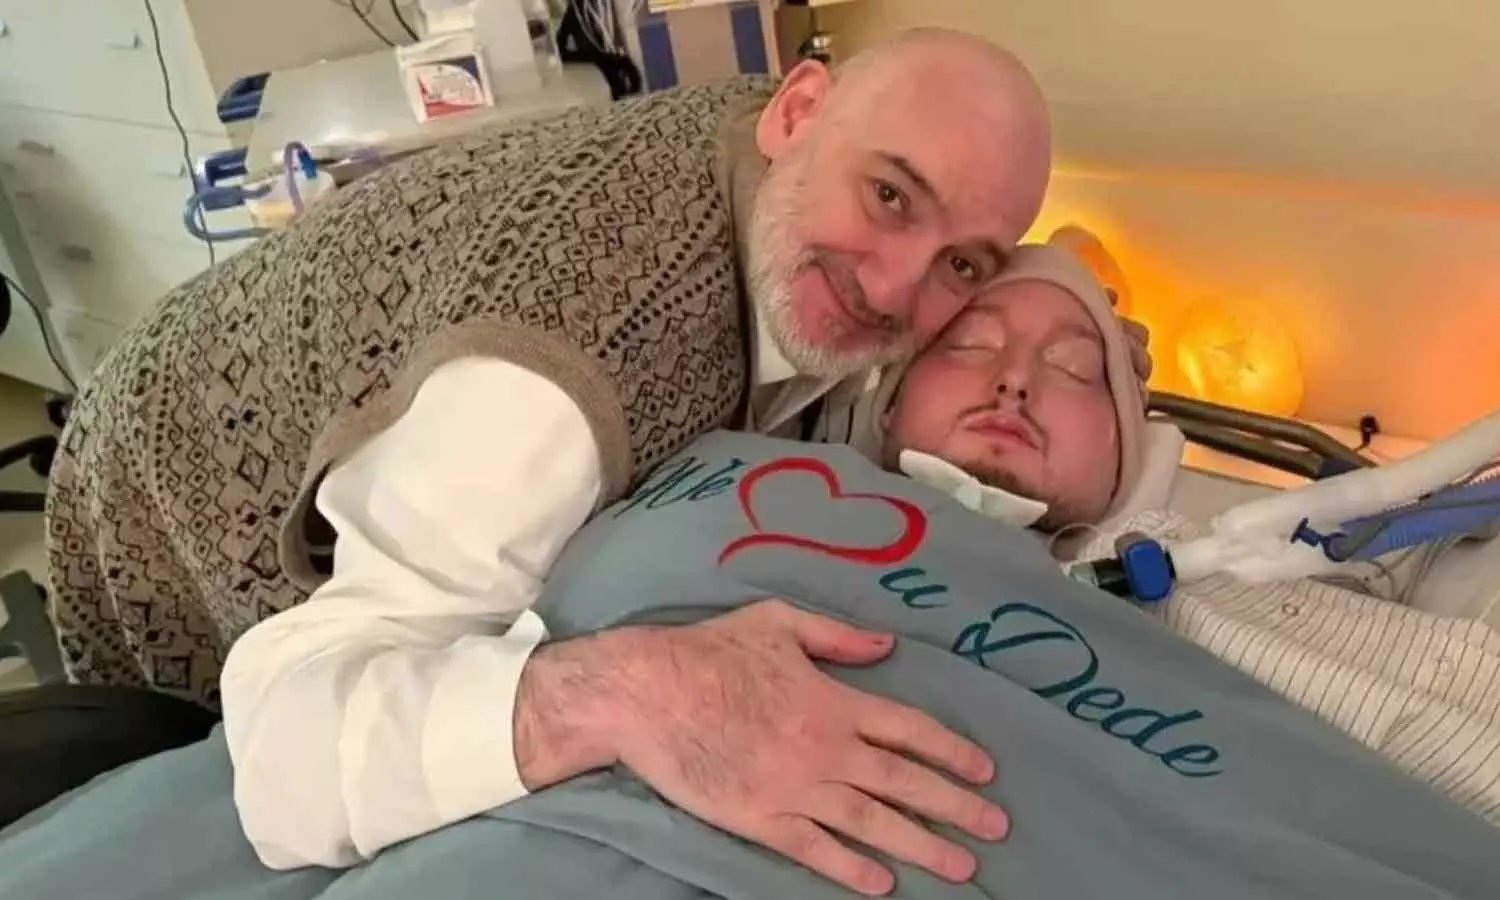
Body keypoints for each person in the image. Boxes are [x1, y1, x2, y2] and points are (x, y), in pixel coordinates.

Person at [6, 244, 1496, 900]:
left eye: (1072, 370)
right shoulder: (718, 455)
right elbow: (363, 662)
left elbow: (1394, 745)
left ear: (1126, 460)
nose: (1011, 376)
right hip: (457, 777)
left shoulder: (1194, 609)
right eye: (973, 344)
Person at [47, 24, 1168, 885]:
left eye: (964, 267)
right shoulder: (551, 387)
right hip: (178, 485)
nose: (893, 290)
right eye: (888, 197)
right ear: (797, 111)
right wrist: (624, 694)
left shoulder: (801, 192)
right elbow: (291, 746)